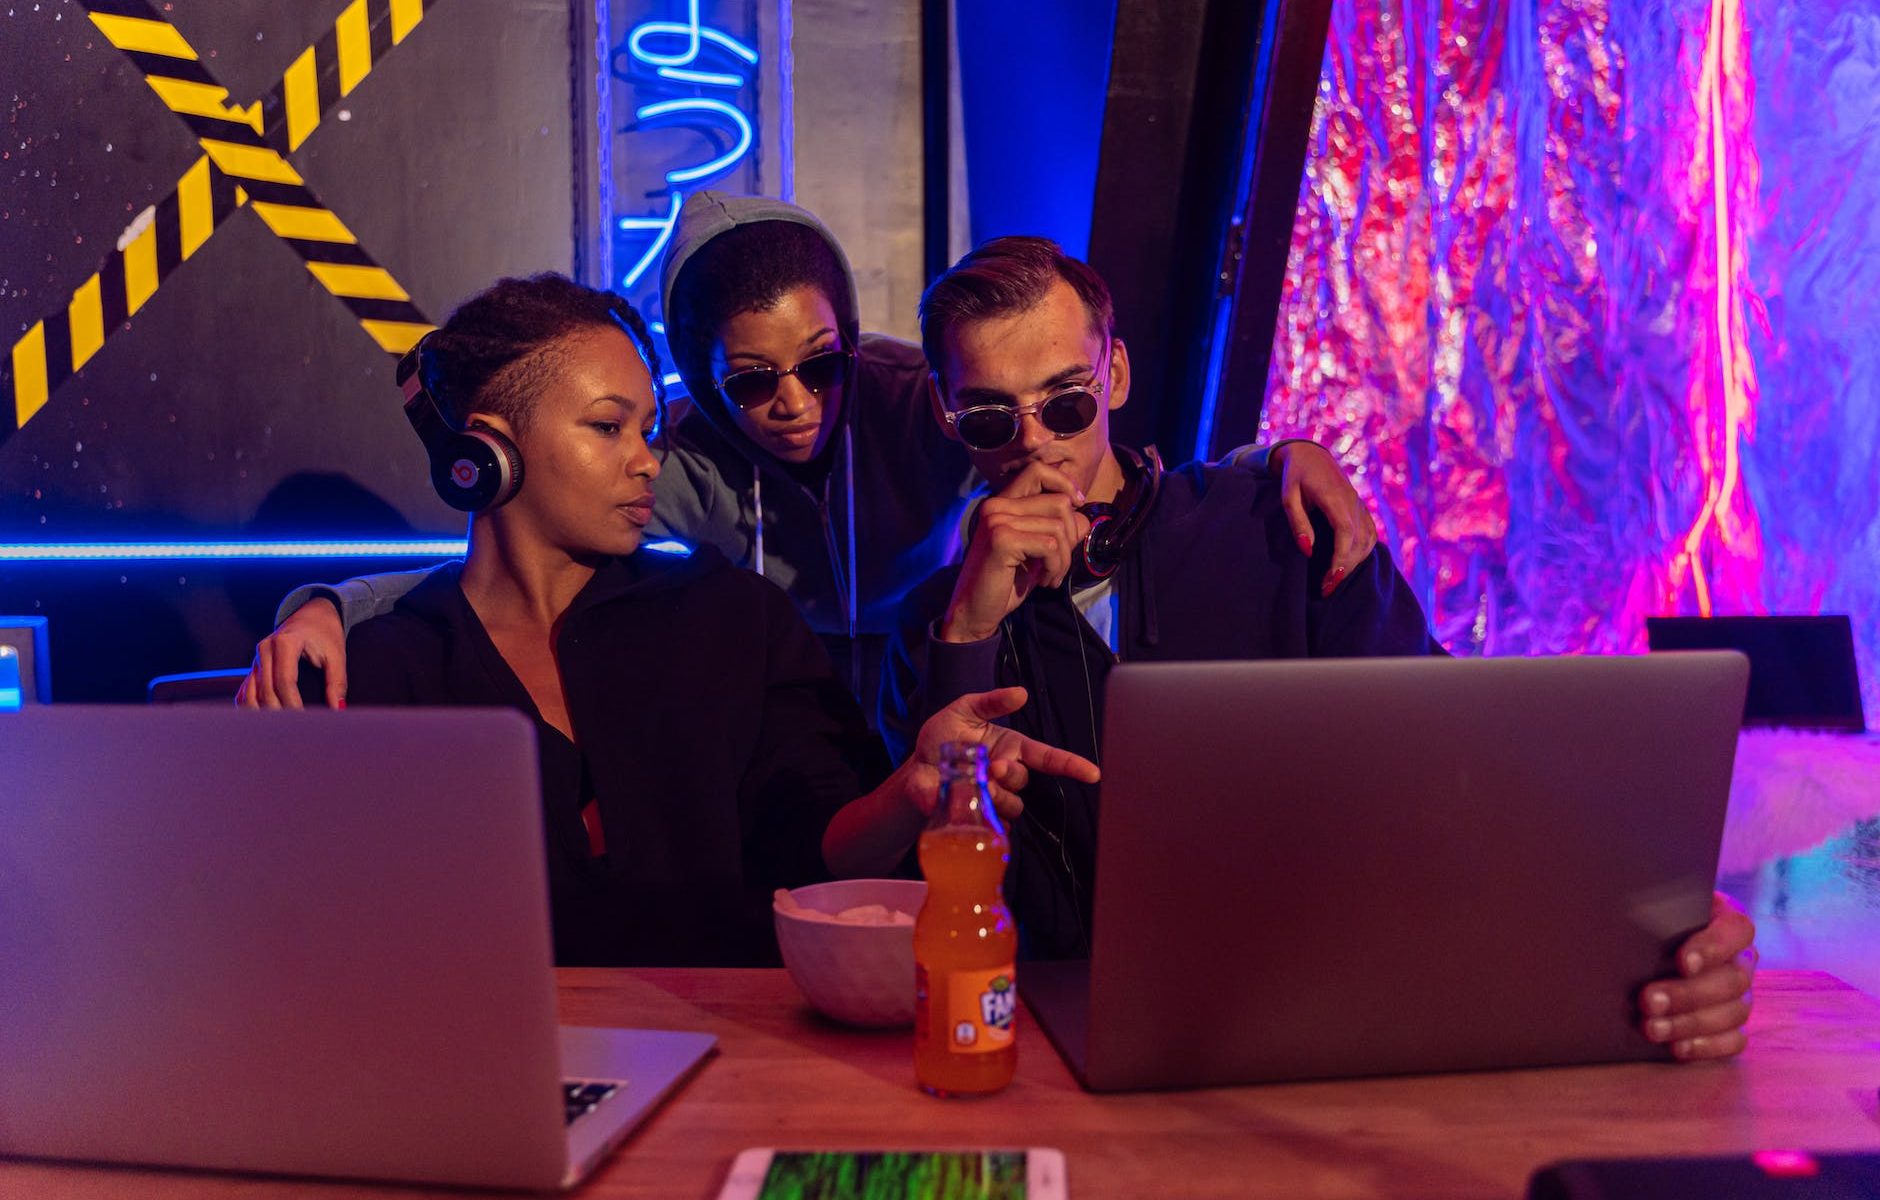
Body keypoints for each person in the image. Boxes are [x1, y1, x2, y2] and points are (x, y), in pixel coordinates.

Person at [880, 236, 1757, 1060]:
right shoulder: (935, 621)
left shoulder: (1278, 527)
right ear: (947, 413)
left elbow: (1464, 759)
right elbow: (906, 892)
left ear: (1114, 374)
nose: (1037, 443)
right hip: (1026, 1043)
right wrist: (967, 637)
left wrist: (1650, 919)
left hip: (1324, 1019)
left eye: (1065, 403)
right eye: (994, 419)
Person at [236, 193, 1379, 712]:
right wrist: (338, 600)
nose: (793, 405)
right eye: (751, 382)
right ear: (697, 379)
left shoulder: (905, 401)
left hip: (921, 677)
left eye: (818, 365)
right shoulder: (665, 457)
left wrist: (1268, 459)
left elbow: (1082, 444)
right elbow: (521, 559)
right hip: (849, 693)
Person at [339, 272, 1097, 967]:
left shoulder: (734, 619)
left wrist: (908, 792)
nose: (647, 461)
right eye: (608, 428)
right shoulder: (384, 669)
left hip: (737, 1065)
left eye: (647, 430)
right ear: (488, 447)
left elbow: (817, 848)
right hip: (487, 1075)